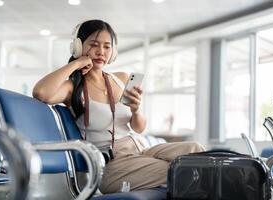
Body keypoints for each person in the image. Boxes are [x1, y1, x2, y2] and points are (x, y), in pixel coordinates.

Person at [33, 19, 205, 194]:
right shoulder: (73, 88)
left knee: (196, 150)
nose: (101, 51)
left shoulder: (121, 78)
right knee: (184, 170)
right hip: (111, 165)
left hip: (140, 150)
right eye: (94, 45)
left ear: (113, 52)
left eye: (107, 47)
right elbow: (41, 93)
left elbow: (139, 127)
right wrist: (75, 64)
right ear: (78, 47)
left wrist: (136, 109)